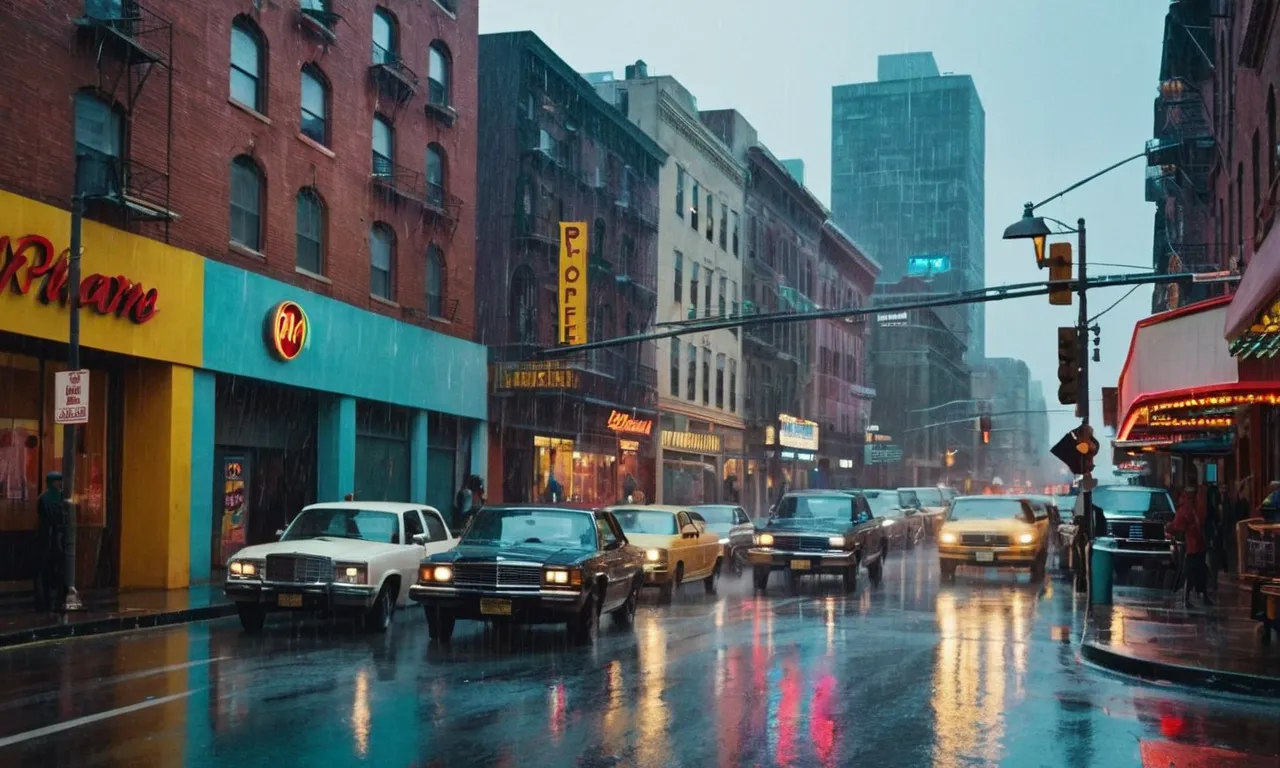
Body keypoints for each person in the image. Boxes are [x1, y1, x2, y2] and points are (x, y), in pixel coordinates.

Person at [1168, 487, 1211, 606]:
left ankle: (1188, 598)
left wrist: (1169, 527)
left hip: (1191, 546)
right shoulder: (1197, 508)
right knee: (1198, 573)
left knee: (1190, 572)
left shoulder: (1187, 509)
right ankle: (1197, 597)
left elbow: (1178, 525)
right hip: (1196, 546)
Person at [35, 471, 67, 611]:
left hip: (56, 537)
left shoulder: (62, 497)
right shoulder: (45, 498)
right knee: (47, 570)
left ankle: (57, 598)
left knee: (59, 570)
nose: (60, 483)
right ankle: (46, 600)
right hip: (49, 537)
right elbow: (50, 517)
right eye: (57, 481)